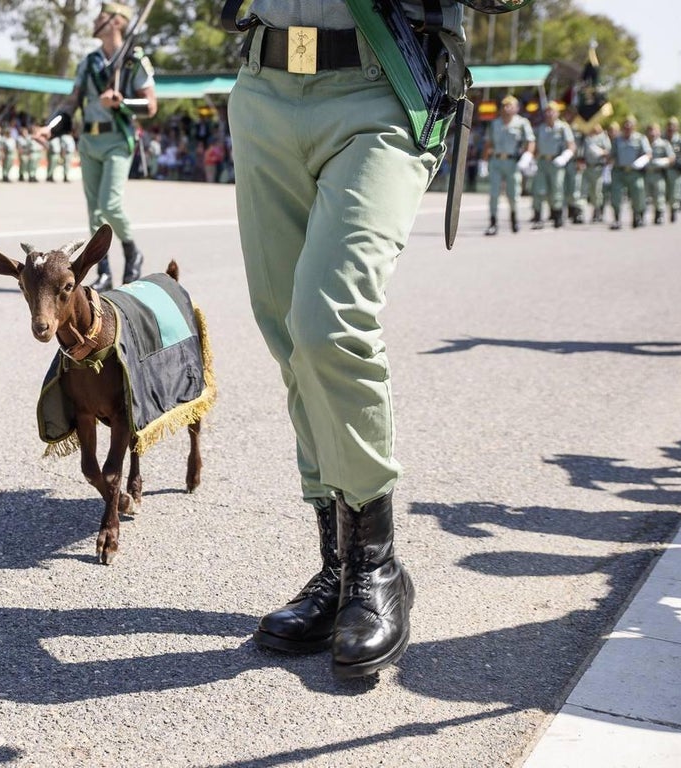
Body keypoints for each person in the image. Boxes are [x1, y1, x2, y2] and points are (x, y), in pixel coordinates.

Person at [226, 0, 534, 680]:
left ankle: (377, 565)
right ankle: (338, 566)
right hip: (264, 85)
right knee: (288, 333)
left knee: (328, 323)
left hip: (382, 84)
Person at [35, 1, 157, 292]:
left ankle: (132, 251)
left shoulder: (134, 61)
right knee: (94, 212)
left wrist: (121, 102)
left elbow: (151, 105)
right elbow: (72, 101)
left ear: (116, 22)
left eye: (100, 17)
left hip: (117, 139)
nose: (93, 21)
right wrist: (50, 128)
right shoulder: (89, 62)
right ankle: (103, 270)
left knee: (109, 204)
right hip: (89, 141)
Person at [481, 95, 534, 235]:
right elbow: (488, 143)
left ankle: (514, 219)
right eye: (504, 105)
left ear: (517, 108)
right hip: (496, 161)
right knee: (494, 194)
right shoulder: (495, 123)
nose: (506, 108)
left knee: (513, 194)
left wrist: (528, 156)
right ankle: (493, 223)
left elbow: (530, 141)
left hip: (513, 162)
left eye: (510, 105)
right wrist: (484, 161)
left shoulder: (522, 123)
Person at [530, 101, 575, 229]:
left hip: (556, 162)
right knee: (539, 190)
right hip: (542, 162)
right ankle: (538, 217)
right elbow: (535, 145)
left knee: (557, 189)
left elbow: (571, 145)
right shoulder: (540, 128)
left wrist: (565, 156)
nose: (549, 114)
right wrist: (531, 160)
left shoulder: (563, 127)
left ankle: (557, 216)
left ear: (557, 113)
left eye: (552, 111)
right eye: (547, 111)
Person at [609, 115, 651, 230]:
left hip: (634, 172)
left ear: (634, 126)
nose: (627, 127)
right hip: (619, 171)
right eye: (625, 125)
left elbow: (648, 154)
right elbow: (611, 155)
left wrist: (641, 162)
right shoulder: (617, 139)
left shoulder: (641, 138)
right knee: (616, 195)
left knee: (638, 193)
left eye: (630, 125)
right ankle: (617, 219)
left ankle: (637, 216)